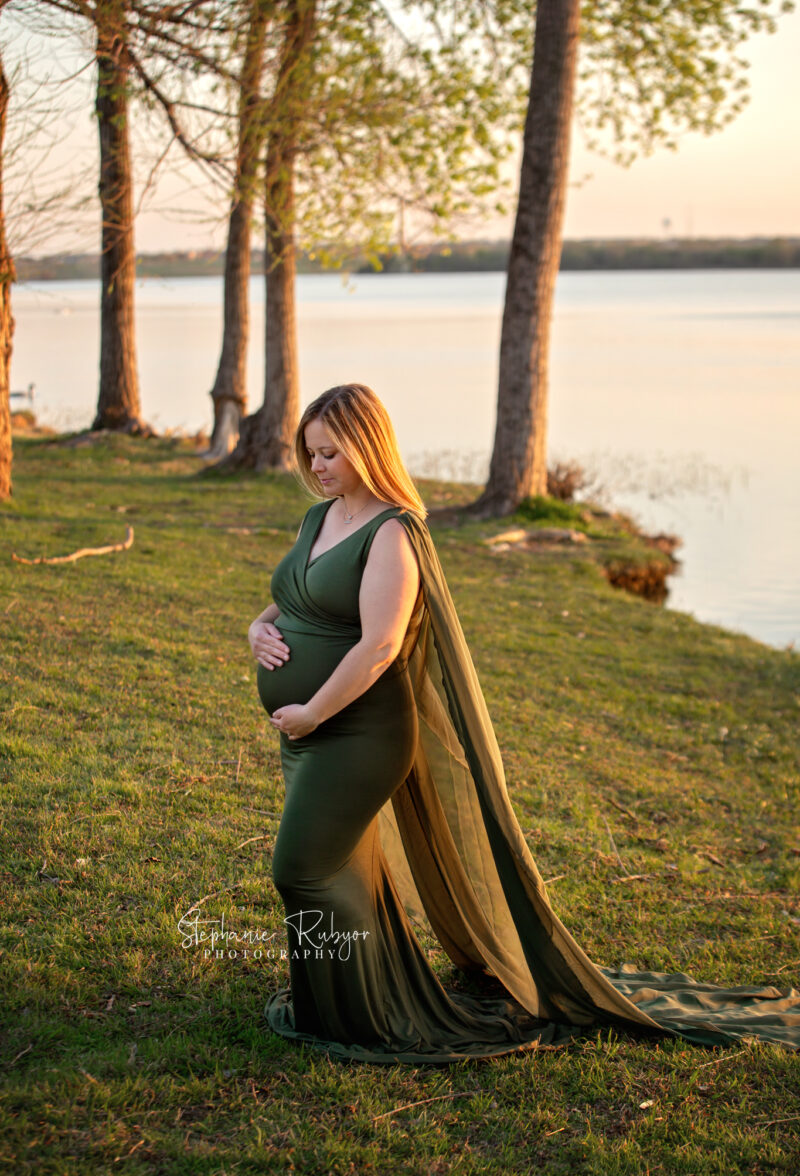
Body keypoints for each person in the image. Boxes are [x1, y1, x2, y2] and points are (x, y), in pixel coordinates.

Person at [249, 383, 800, 1065]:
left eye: (332, 451)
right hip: (306, 731)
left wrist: (311, 710)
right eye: (312, 453)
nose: (320, 465)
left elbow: (380, 646)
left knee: (300, 870)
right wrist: (258, 629)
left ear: (368, 444)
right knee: (344, 870)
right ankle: (342, 1005)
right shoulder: (319, 517)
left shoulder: (393, 532)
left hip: (357, 733)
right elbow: (289, 598)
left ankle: (372, 1015)